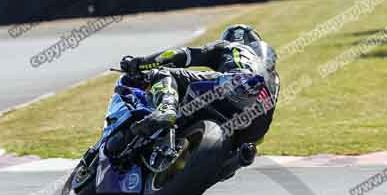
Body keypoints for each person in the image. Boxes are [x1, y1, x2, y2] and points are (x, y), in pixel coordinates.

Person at [119, 24, 280, 150]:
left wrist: (141, 62)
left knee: (164, 73)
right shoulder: (273, 77)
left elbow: (181, 55)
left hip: (235, 83)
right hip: (257, 125)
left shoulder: (229, 47)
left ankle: (166, 108)